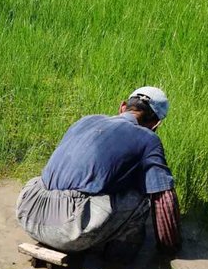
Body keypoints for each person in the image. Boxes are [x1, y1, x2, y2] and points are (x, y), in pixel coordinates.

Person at [16, 87, 181, 260]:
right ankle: (118, 259)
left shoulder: (86, 120)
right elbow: (164, 197)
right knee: (142, 197)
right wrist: (170, 249)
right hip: (66, 232)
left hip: (28, 212)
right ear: (155, 125)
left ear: (122, 107)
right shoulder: (148, 138)